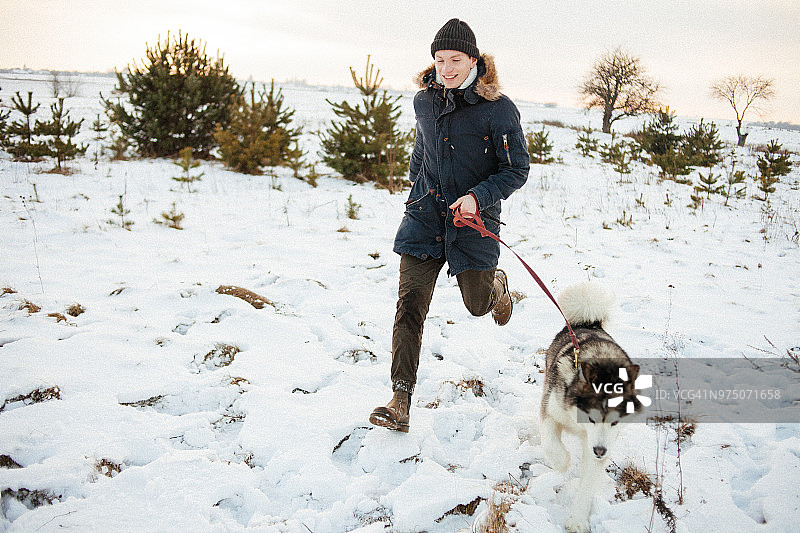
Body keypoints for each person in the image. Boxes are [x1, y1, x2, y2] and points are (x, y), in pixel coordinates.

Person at [369, 18, 530, 432]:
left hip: (473, 221)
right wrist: (416, 192)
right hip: (424, 219)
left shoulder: (498, 109)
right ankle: (400, 400)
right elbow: (421, 152)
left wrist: (478, 197)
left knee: (477, 306)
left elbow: (516, 169)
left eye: (455, 59)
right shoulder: (424, 101)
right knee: (409, 307)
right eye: (440, 60)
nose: (446, 68)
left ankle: (497, 287)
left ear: (473, 60)